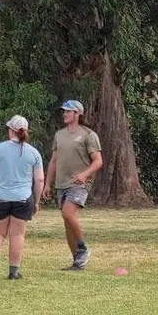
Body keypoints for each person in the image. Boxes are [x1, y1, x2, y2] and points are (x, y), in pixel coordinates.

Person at [0, 116, 44, 280]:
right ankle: (14, 271)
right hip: (23, 198)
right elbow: (39, 180)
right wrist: (36, 201)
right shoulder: (33, 153)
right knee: (17, 235)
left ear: (11, 130)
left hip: (1, 197)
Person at [43, 100, 103, 270]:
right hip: (61, 184)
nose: (65, 114)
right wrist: (48, 184)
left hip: (78, 184)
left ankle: (83, 248)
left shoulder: (88, 135)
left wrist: (84, 175)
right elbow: (54, 161)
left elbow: (98, 161)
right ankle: (77, 262)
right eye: (64, 111)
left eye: (68, 111)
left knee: (68, 214)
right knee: (67, 222)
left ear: (78, 114)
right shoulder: (59, 135)